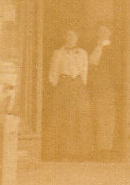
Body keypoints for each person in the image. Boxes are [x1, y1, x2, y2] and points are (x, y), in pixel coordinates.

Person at [45, 28, 92, 160]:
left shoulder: (82, 53)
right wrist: (60, 85)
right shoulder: (58, 53)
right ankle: (63, 152)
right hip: (63, 86)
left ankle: (79, 153)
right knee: (64, 117)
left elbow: (85, 71)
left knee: (79, 118)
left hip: (78, 86)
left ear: (77, 38)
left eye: (73, 36)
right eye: (68, 35)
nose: (71, 38)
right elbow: (53, 73)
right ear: (64, 37)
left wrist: (79, 85)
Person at [87, 23, 118, 159]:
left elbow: (117, 71)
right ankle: (95, 149)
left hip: (107, 87)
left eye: (105, 31)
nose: (102, 33)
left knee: (106, 119)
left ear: (110, 33)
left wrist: (114, 86)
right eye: (99, 31)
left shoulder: (112, 49)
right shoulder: (92, 47)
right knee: (95, 117)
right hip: (92, 88)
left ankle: (105, 150)